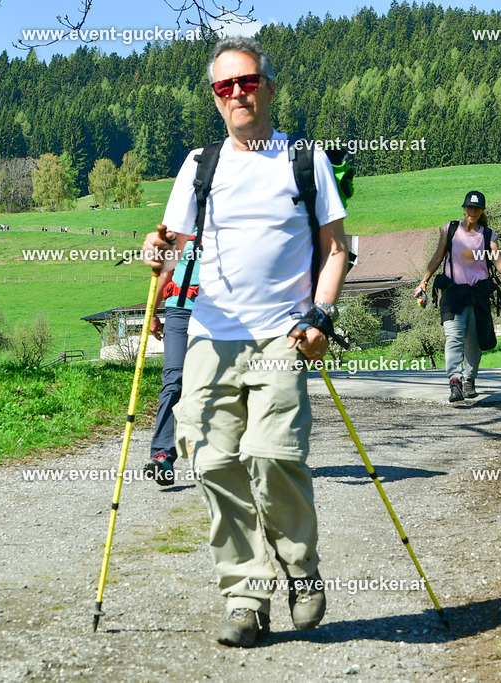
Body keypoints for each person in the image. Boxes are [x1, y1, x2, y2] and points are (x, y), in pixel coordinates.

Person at [142, 36, 349, 648]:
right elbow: (174, 246)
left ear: (269, 89)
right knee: (211, 462)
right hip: (211, 334)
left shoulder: (304, 159)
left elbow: (336, 249)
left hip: (284, 334)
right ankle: (245, 597)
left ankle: (301, 570)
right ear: (215, 97)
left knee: (272, 455)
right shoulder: (199, 164)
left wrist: (322, 316)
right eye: (225, 86)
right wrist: (156, 253)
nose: (238, 93)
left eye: (248, 82)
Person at [415, 190, 501, 402]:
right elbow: (438, 256)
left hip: (478, 294)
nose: (472, 212)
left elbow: (497, 257)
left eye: (477, 208)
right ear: (464, 208)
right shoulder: (450, 229)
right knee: (453, 338)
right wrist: (424, 281)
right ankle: (454, 381)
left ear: (482, 211)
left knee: (474, 342)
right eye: (469, 207)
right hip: (453, 293)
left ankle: (469, 379)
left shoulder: (488, 235)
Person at [143, 240, 199, 486]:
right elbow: (165, 272)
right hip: (179, 311)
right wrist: (151, 312)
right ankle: (162, 456)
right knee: (174, 378)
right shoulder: (183, 231)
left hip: (219, 316)